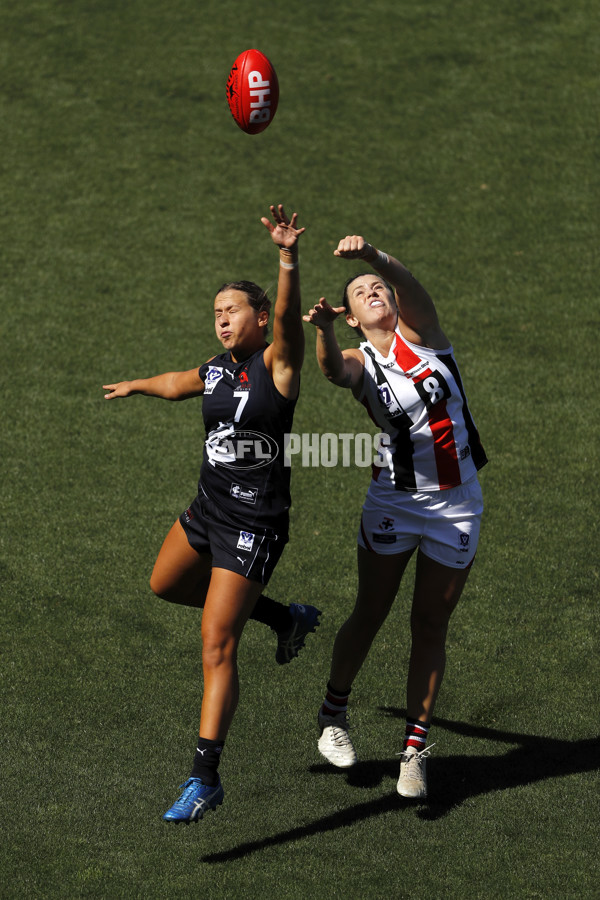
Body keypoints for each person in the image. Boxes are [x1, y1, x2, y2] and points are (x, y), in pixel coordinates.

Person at [103, 205, 321, 823]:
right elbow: (177, 381)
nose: (222, 319)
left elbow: (286, 317)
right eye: (217, 313)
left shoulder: (277, 366)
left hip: (253, 527)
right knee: (165, 584)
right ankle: (285, 617)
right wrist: (135, 386)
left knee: (217, 643)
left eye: (232, 310)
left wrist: (286, 256)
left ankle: (206, 778)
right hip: (206, 511)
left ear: (258, 318)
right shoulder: (218, 369)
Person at [303, 234, 487, 799]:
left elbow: (412, 288)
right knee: (372, 611)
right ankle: (333, 715)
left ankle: (415, 751)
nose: (373, 291)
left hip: (457, 504)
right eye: (360, 292)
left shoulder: (425, 337)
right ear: (353, 317)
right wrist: (324, 330)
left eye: (379, 287)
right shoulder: (362, 361)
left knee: (431, 625)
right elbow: (333, 371)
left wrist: (373, 258)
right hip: (395, 503)